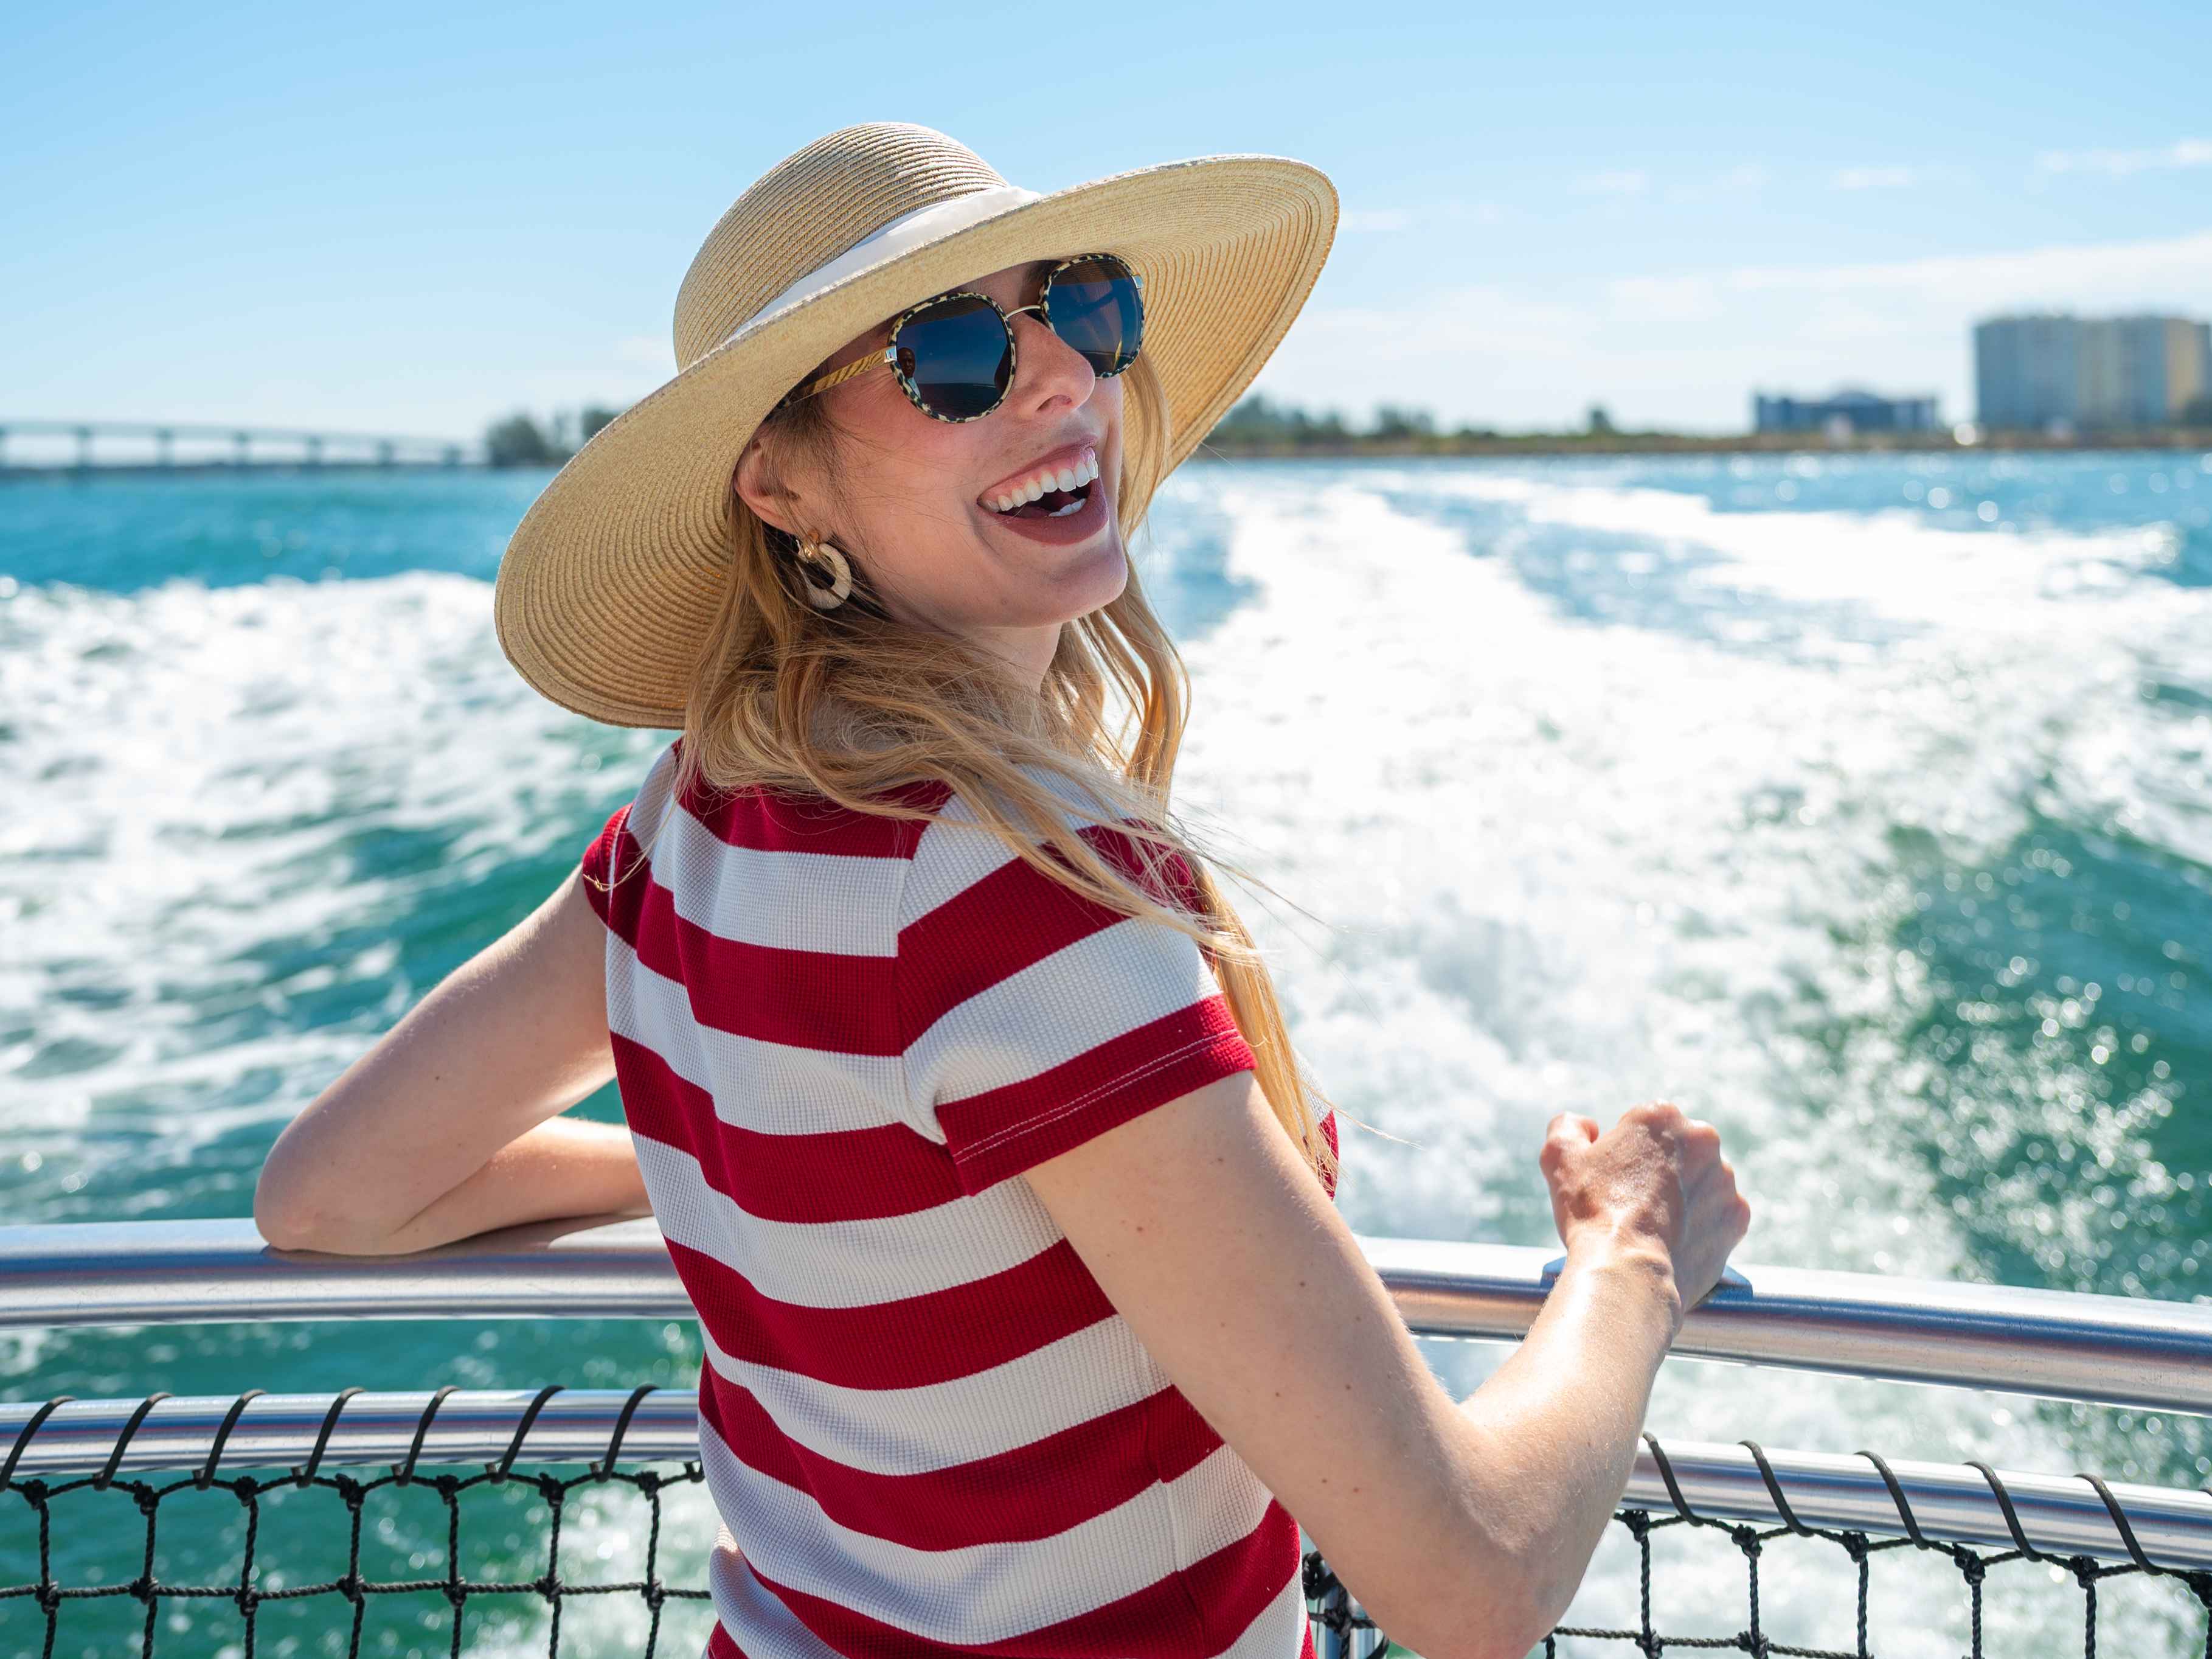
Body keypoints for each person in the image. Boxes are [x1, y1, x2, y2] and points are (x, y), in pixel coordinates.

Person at [255, 124, 1750, 1659]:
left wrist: (799, 1175)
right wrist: (1631, 1250)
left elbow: (331, 1190)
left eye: (1082, 306)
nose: (1058, 380)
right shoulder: (1026, 900)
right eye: (951, 354)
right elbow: (1472, 1578)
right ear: (780, 483)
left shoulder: (685, 822)